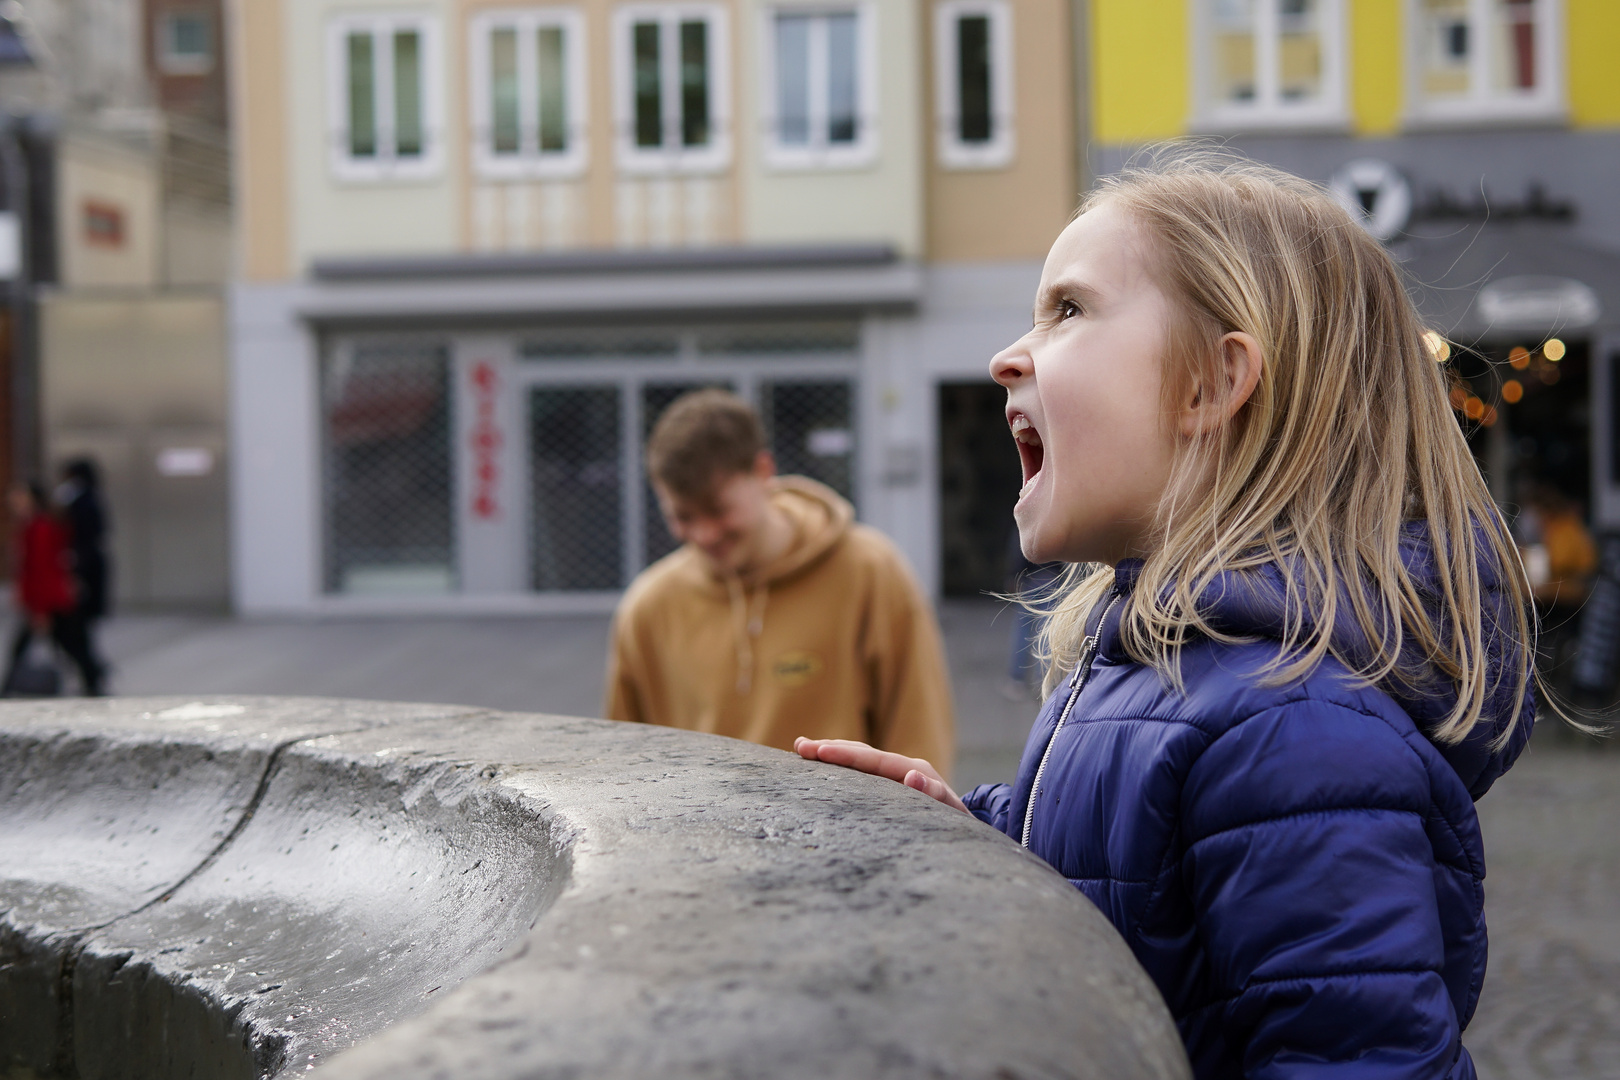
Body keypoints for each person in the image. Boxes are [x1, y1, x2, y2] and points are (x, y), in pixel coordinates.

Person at [797, 155, 1540, 1078]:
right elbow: (1127, 880)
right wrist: (977, 834)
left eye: (1068, 310)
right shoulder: (1165, 670)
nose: (1006, 356)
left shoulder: (1294, 730)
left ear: (1210, 385)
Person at [605, 389, 953, 768]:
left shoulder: (871, 571)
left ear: (763, 472)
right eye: (683, 517)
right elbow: (626, 760)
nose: (705, 534)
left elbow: (919, 730)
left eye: (717, 509)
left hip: (849, 825)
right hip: (692, 828)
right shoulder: (647, 608)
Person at [4, 481, 104, 695]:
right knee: (71, 644)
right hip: (49, 598)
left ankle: (94, 680)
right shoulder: (35, 524)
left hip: (50, 599)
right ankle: (93, 680)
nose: (13, 501)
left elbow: (42, 568)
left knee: (71, 645)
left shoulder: (39, 527)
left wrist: (40, 609)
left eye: (19, 496)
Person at [56, 457, 111, 664]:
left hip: (84, 570)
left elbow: (86, 537)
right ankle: (92, 671)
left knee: (77, 625)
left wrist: (76, 572)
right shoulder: (87, 499)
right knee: (76, 628)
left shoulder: (83, 502)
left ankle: (92, 672)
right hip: (85, 567)